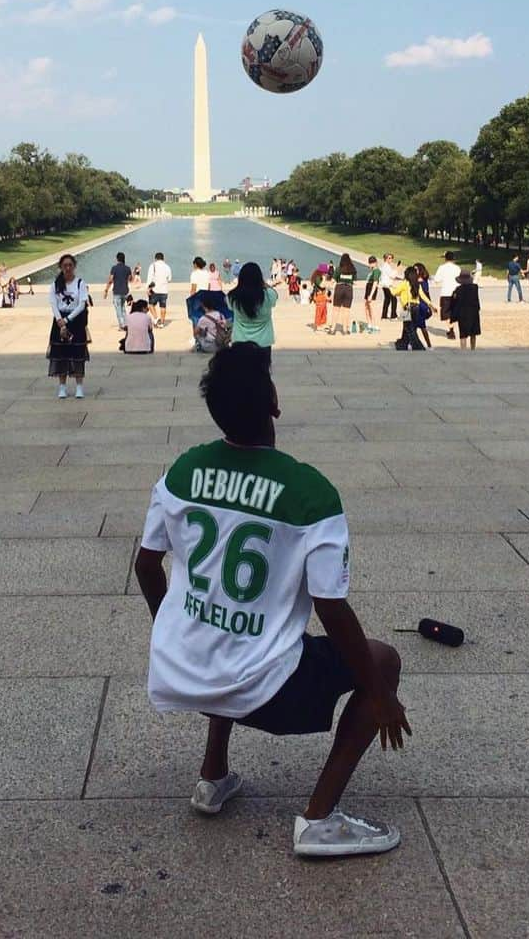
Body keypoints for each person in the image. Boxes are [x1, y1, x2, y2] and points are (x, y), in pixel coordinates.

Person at [134, 343, 409, 858]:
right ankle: (319, 819)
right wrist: (380, 694)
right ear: (274, 403)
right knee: (383, 660)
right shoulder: (310, 493)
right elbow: (332, 606)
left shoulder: (183, 471)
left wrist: (171, 634)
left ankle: (212, 776)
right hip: (269, 695)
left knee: (233, 629)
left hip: (184, 673)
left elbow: (147, 564)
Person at [48, 253, 89, 398]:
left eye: (70, 265)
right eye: (65, 265)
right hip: (59, 321)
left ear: (74, 266)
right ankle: (62, 387)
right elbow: (53, 303)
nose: (68, 268)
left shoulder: (80, 283)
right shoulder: (55, 284)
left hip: (75, 321)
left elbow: (82, 304)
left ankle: (79, 386)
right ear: (61, 267)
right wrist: (60, 320)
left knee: (78, 354)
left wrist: (67, 320)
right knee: (61, 355)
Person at [229, 261, 278, 365]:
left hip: (240, 341)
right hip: (263, 343)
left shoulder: (232, 297)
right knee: (262, 375)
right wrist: (264, 284)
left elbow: (230, 303)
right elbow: (275, 295)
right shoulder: (269, 295)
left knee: (241, 376)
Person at [392, 266, 434, 351]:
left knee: (409, 328)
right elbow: (422, 295)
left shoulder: (404, 283)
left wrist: (390, 287)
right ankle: (403, 344)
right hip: (416, 307)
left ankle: (417, 346)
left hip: (406, 307)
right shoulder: (417, 284)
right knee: (408, 328)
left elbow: (394, 292)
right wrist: (430, 305)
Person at [449, 270, 481, 350]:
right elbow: (476, 301)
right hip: (473, 312)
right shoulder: (475, 288)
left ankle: (463, 350)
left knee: (463, 334)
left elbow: (453, 302)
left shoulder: (458, 289)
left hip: (462, 313)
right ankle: (473, 349)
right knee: (473, 333)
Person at [433, 251, 461, 340]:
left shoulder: (442, 268)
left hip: (445, 292)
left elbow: (437, 279)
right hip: (456, 292)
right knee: (454, 312)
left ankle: (450, 328)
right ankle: (451, 328)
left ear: (445, 258)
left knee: (445, 313)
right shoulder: (457, 268)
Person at [104, 251, 133, 331]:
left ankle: (122, 325)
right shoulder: (127, 268)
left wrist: (106, 290)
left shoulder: (114, 268)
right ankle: (126, 324)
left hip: (117, 291)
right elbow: (131, 279)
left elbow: (110, 280)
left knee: (118, 310)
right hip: (125, 291)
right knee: (123, 309)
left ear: (117, 259)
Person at [329, 253, 357, 336]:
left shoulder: (338, 269)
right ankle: (345, 329)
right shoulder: (353, 269)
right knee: (346, 310)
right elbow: (355, 282)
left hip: (339, 288)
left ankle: (333, 329)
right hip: (349, 289)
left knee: (335, 309)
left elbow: (333, 280)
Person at [147, 251, 173, 328]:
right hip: (164, 290)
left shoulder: (153, 266)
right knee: (163, 307)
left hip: (154, 290)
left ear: (156, 258)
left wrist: (148, 288)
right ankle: (162, 323)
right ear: (163, 258)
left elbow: (149, 278)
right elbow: (169, 279)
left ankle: (156, 318)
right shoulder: (167, 267)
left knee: (151, 305)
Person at [413, 263, 433, 349]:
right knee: (415, 326)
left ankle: (428, 344)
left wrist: (430, 305)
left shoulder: (421, 282)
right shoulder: (422, 280)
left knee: (421, 326)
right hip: (419, 304)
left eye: (416, 269)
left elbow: (424, 294)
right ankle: (414, 342)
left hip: (421, 305)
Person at [363, 255, 381, 331]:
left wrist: (371, 294)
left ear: (376, 262)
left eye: (372, 262)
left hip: (371, 289)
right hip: (368, 288)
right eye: (370, 262)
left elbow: (375, 283)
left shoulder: (376, 271)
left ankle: (375, 324)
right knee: (366, 306)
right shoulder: (372, 271)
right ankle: (369, 323)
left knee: (371, 307)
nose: (371, 264)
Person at [380, 253, 399, 319]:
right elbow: (392, 276)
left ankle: (384, 315)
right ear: (386, 259)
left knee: (387, 300)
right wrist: (397, 269)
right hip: (388, 286)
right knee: (394, 299)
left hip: (385, 285)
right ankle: (393, 315)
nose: (391, 259)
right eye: (389, 258)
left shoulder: (384, 266)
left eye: (391, 258)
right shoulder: (386, 266)